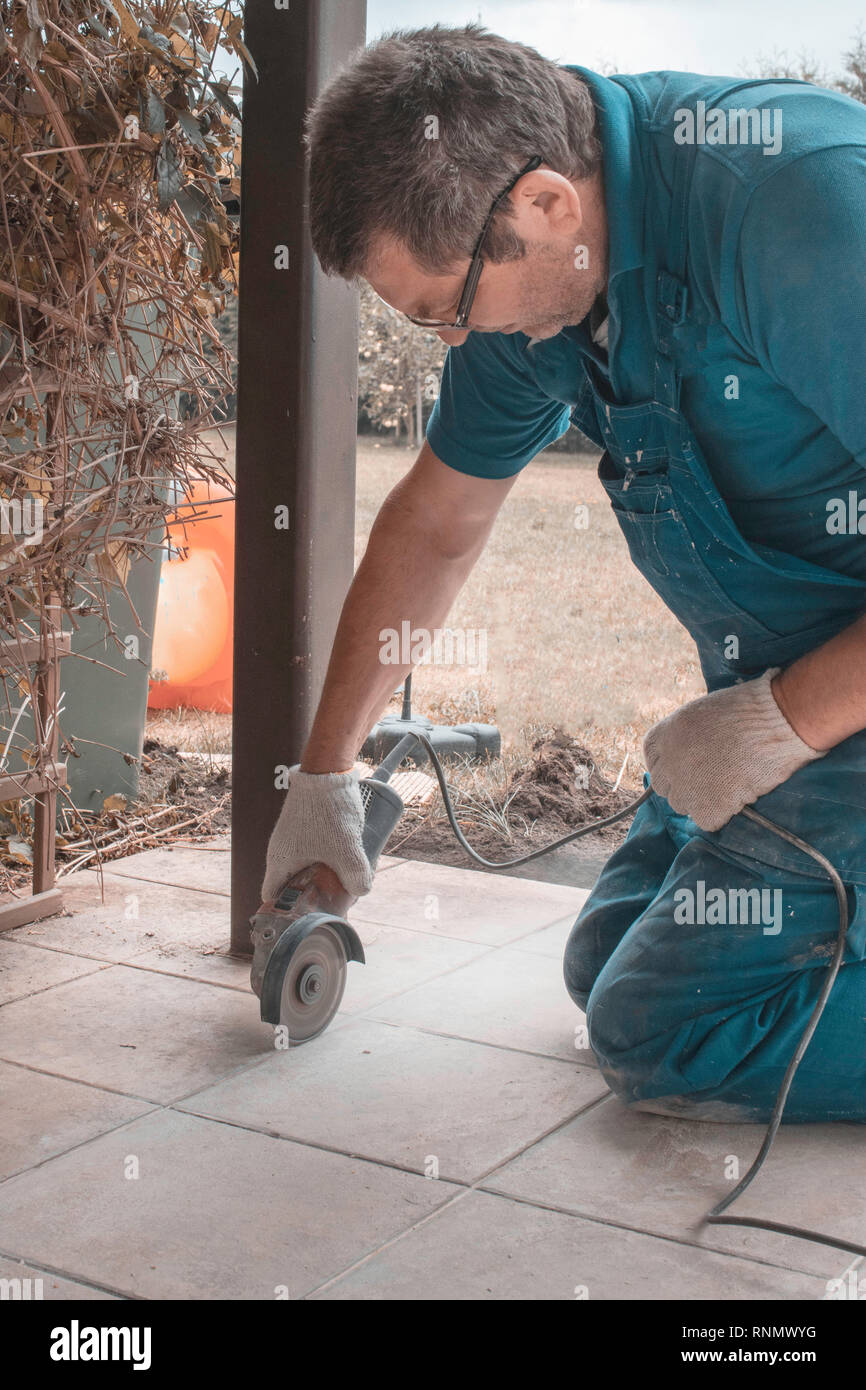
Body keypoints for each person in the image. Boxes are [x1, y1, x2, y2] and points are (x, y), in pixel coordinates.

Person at [261, 24, 866, 1123]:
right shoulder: (532, 280)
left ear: (542, 205)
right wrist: (323, 777)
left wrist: (778, 722)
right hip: (807, 699)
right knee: (602, 963)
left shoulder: (797, 210)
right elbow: (437, 518)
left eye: (443, 309)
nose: (449, 341)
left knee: (662, 1028)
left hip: (826, 705)